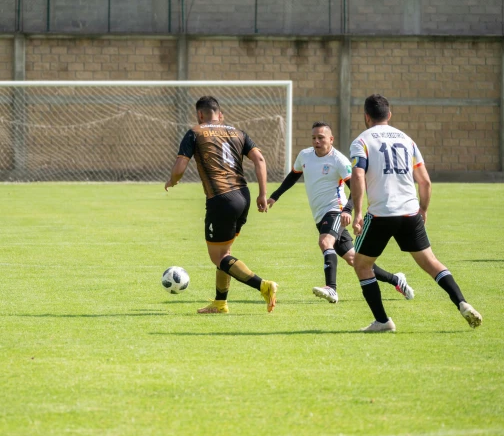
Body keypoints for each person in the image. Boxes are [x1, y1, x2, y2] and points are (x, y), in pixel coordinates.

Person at [348, 94, 482, 332]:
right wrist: (424, 209)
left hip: (381, 214)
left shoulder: (361, 141)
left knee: (362, 265)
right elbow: (425, 182)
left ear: (366, 117)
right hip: (410, 213)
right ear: (389, 115)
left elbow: (358, 175)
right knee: (431, 263)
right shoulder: (407, 140)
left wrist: (358, 212)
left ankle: (382, 321)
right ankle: (462, 302)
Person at [266, 121, 414, 304]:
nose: (316, 141)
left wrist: (347, 210)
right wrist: (275, 196)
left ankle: (331, 289)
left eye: (321, 138)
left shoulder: (339, 160)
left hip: (335, 210)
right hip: (320, 215)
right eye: (313, 138)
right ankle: (396, 279)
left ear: (331, 139)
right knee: (354, 259)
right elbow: (294, 175)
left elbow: (357, 188)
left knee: (325, 241)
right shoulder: (305, 155)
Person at [165, 96, 279, 314]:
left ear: (199, 114)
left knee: (218, 257)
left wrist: (173, 180)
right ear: (220, 114)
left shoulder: (195, 132)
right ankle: (220, 303)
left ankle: (264, 286)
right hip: (243, 196)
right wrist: (263, 194)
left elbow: (180, 166)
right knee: (225, 252)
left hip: (221, 200)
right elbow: (260, 160)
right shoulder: (238, 133)